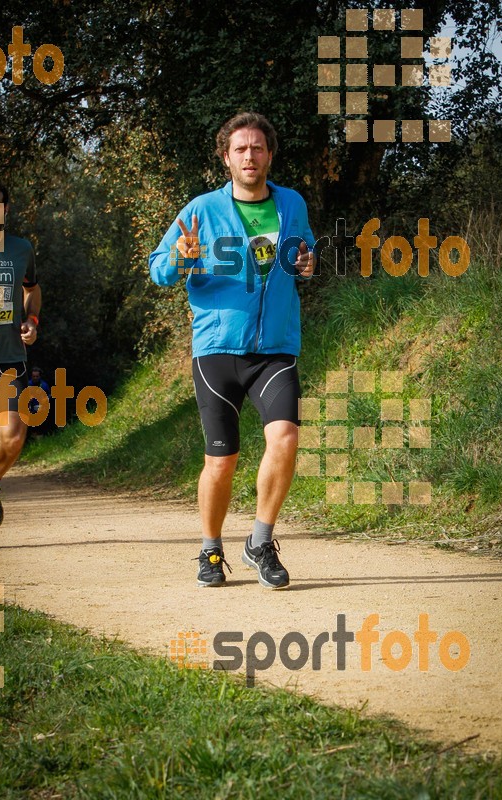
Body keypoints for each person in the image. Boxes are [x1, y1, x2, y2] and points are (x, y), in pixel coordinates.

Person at [149, 112, 314, 589]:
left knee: (284, 437)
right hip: (217, 350)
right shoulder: (200, 209)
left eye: (257, 148)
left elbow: (306, 252)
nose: (249, 156)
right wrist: (180, 257)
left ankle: (260, 541)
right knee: (221, 460)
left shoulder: (291, 204)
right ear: (226, 157)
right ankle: (210, 549)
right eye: (240, 149)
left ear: (269, 154)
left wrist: (307, 261)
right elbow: (159, 269)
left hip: (275, 348)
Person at [0, 178, 41, 528]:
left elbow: (32, 290)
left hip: (9, 359)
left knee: (13, 436)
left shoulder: (21, 248)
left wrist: (32, 320)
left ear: (6, 209)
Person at [27, 366, 52, 437]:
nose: (35, 378)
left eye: (37, 376)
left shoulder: (44, 385)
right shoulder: (28, 385)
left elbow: (49, 395)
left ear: (40, 376)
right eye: (33, 376)